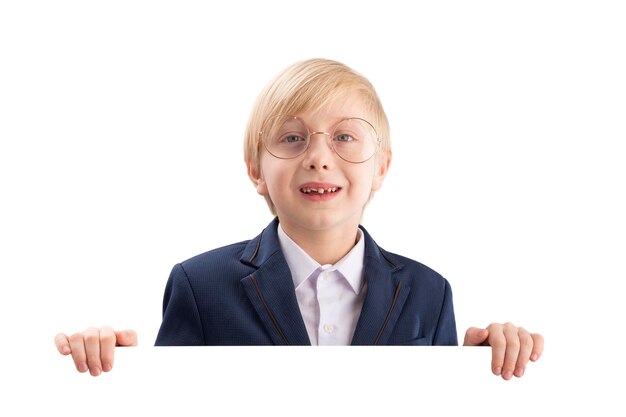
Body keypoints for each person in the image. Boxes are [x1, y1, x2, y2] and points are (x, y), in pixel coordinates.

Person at [55, 58, 544, 380]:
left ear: (382, 168)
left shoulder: (429, 292)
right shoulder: (197, 285)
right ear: (255, 170)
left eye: (345, 137)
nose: (318, 158)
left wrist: (486, 368)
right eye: (292, 138)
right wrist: (106, 371)